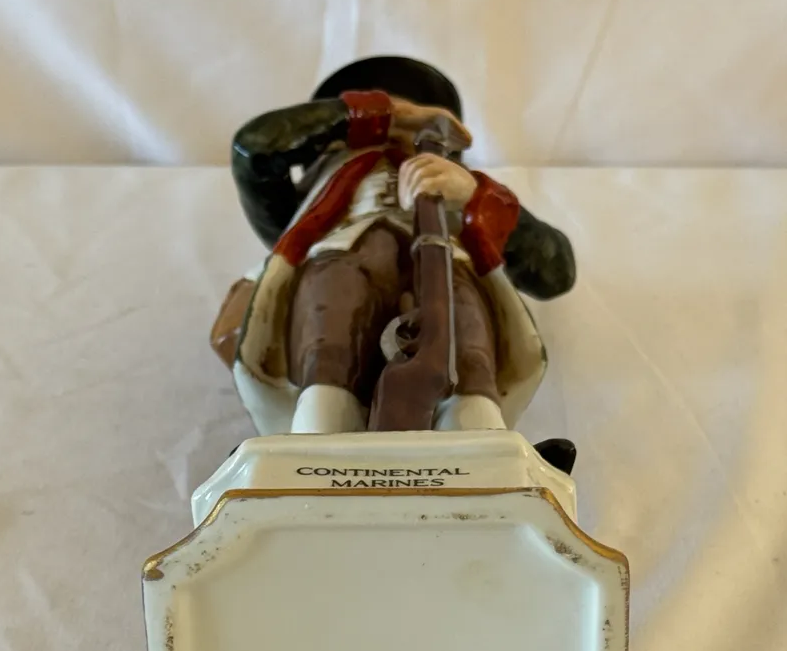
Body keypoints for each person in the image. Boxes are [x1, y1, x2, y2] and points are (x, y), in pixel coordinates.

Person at [211, 56, 577, 473]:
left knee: (467, 356)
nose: (399, 136)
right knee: (330, 348)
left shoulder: (461, 192)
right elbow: (255, 147)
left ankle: (488, 461)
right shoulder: (312, 199)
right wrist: (385, 115)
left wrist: (475, 195)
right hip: (338, 258)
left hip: (448, 264)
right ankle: (312, 460)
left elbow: (555, 273)